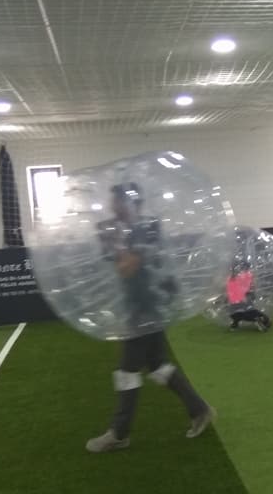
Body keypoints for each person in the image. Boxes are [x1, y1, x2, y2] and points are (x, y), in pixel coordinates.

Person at [86, 181, 216, 453]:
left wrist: (117, 244)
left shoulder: (147, 227)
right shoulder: (114, 230)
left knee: (127, 371)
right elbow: (115, 264)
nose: (111, 206)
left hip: (148, 308)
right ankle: (200, 410)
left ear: (129, 203)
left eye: (116, 201)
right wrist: (112, 240)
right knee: (158, 367)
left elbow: (128, 268)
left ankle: (119, 433)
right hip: (139, 306)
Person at [226, 260, 272, 331]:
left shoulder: (244, 276)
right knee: (240, 312)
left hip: (242, 299)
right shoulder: (236, 278)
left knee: (245, 311)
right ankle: (238, 322)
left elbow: (247, 287)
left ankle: (259, 319)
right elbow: (232, 290)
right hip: (238, 300)